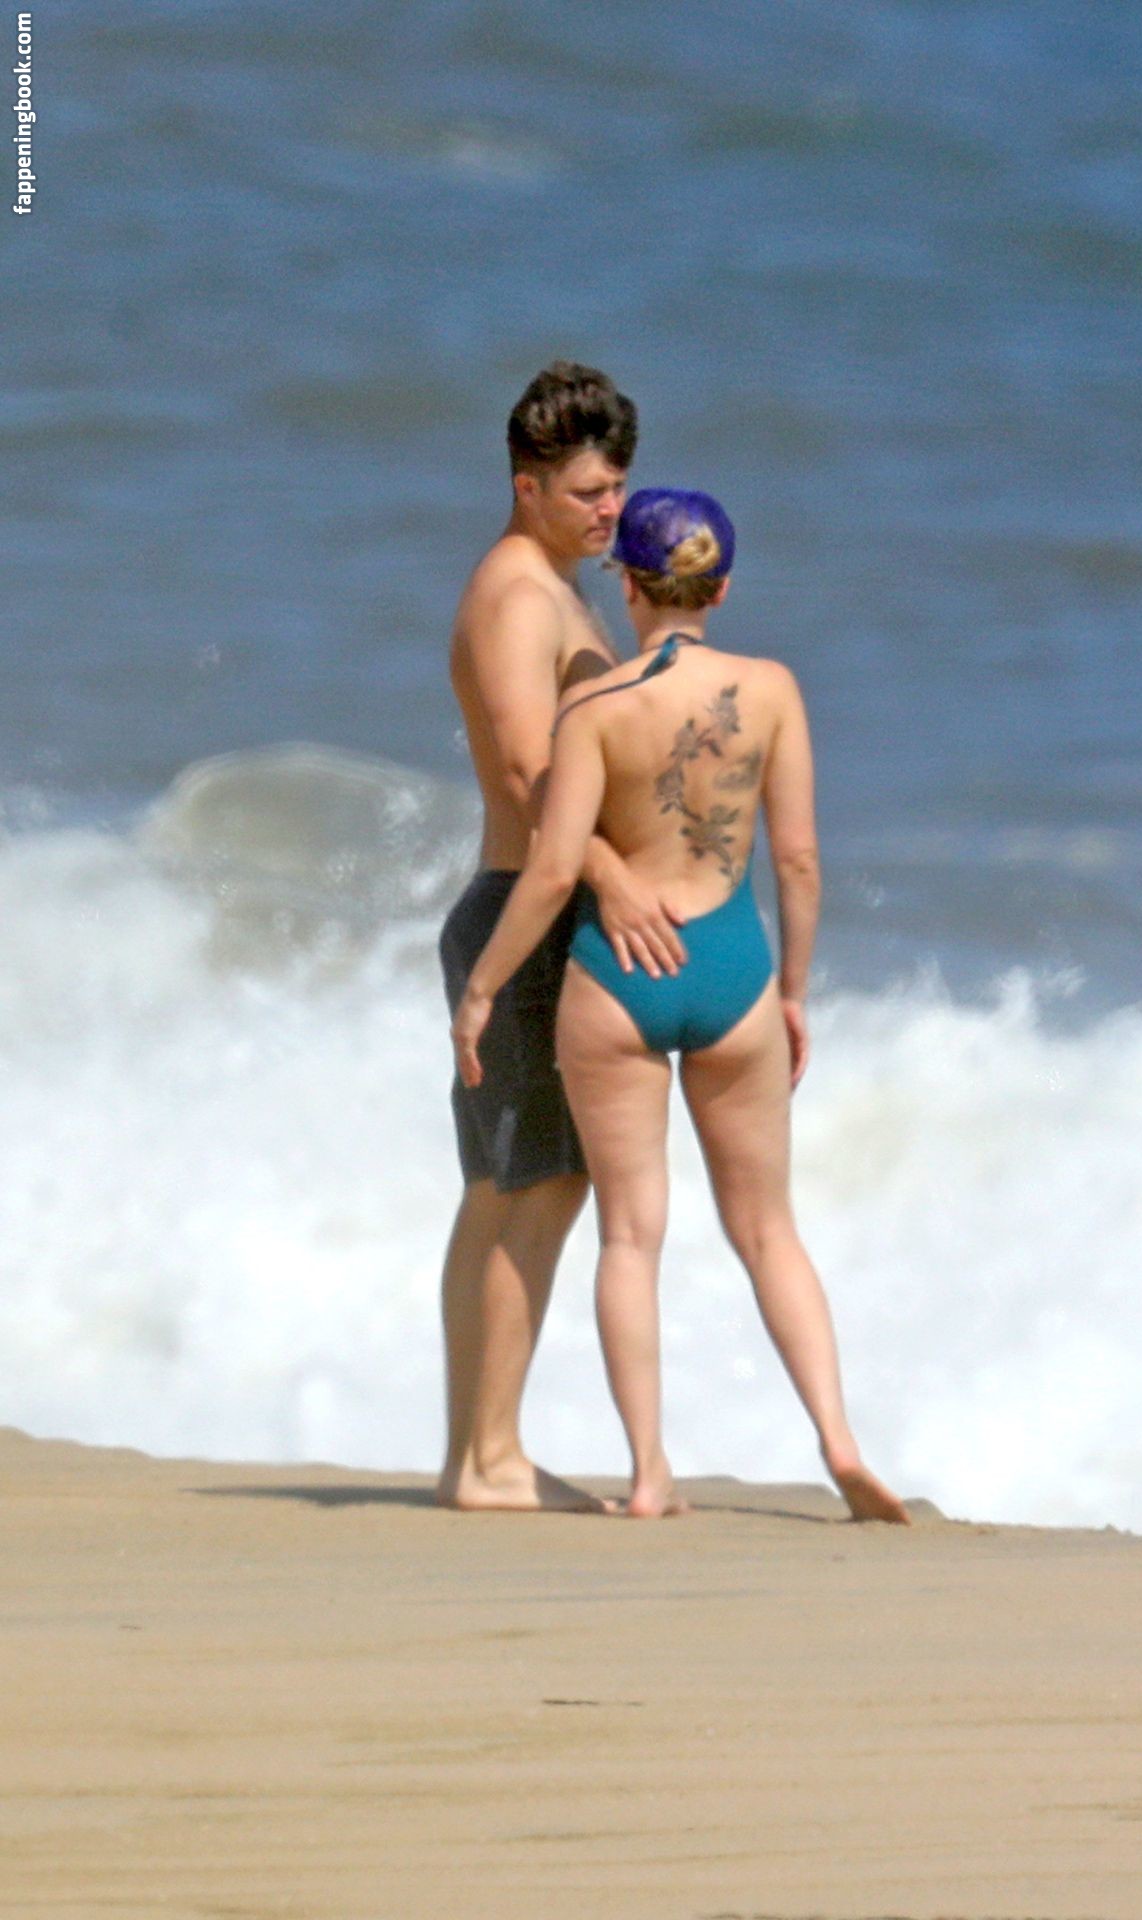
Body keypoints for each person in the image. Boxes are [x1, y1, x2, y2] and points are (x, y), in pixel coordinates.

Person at [452, 487, 910, 1524]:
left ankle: (651, 1473)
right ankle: (840, 1444)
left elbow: (553, 868)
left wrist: (481, 990)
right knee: (769, 1232)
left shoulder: (592, 710)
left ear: (625, 584)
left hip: (617, 978)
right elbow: (798, 860)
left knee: (629, 1237)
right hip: (732, 970)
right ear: (722, 588)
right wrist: (792, 991)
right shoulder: (773, 689)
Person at [437, 364, 691, 1513]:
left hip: (540, 904)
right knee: (525, 1185)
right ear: (525, 485)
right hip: (519, 906)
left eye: (617, 486)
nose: (608, 509)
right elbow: (526, 770)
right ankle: (486, 1459)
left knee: (527, 1184)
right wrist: (611, 878)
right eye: (586, 491)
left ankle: (484, 1450)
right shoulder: (513, 595)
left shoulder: (555, 586)